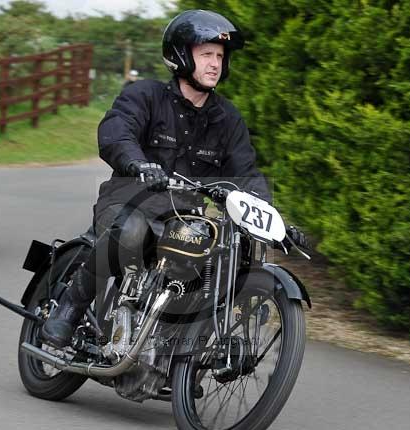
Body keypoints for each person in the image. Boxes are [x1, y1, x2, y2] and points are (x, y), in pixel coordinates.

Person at [40, 9, 306, 348]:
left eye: (220, 57)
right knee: (131, 230)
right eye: (206, 54)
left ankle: (182, 348)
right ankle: (69, 308)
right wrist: (137, 163)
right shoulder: (145, 95)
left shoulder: (228, 119)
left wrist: (274, 221)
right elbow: (117, 131)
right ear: (181, 55)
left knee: (222, 256)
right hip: (128, 199)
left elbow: (246, 173)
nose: (215, 64)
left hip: (182, 216)